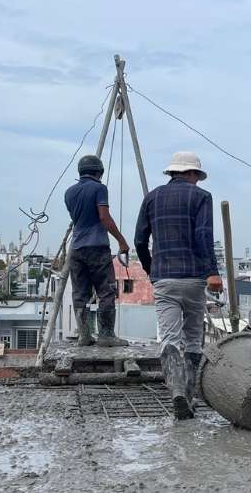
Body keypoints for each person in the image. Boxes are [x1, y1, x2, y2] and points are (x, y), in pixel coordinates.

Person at [134, 151, 224, 419]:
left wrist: (151, 269)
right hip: (194, 278)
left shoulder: (152, 198)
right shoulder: (201, 197)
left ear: (173, 172)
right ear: (193, 173)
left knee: (169, 338)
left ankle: (175, 392)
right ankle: (188, 394)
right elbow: (203, 234)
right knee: (193, 338)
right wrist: (212, 272)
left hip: (164, 279)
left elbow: (140, 240)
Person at [64, 154, 130, 347]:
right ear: (99, 172)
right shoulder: (99, 188)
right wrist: (122, 241)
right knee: (106, 291)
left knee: (80, 293)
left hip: (76, 248)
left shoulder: (69, 192)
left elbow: (78, 218)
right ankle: (106, 335)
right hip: (97, 247)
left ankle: (84, 336)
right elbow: (104, 217)